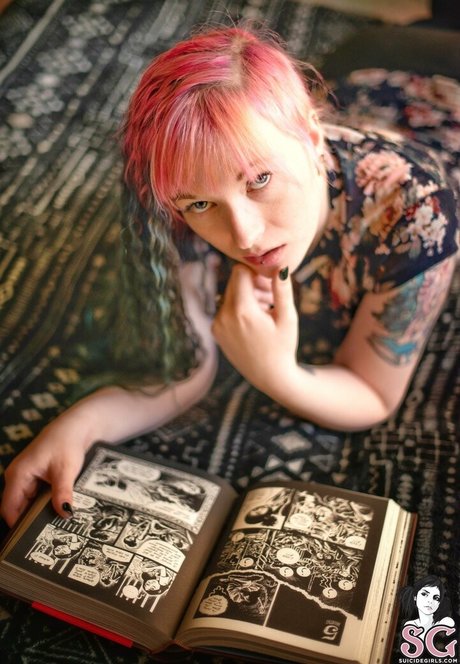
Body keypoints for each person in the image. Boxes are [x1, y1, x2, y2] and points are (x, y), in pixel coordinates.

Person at [1, 25, 458, 528]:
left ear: (311, 135)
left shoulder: (418, 213)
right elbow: (187, 370)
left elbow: (373, 393)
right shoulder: (175, 193)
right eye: (202, 204)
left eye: (259, 180)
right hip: (353, 81)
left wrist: (276, 373)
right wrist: (77, 427)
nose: (245, 236)